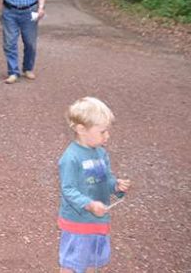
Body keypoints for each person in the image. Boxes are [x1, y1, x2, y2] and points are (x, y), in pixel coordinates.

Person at [58, 97, 131, 273]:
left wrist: (116, 186)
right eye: (102, 132)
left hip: (98, 220)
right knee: (72, 264)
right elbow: (68, 189)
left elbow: (104, 179)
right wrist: (89, 204)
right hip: (78, 221)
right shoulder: (71, 158)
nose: (107, 136)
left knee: (93, 262)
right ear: (81, 129)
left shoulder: (101, 154)